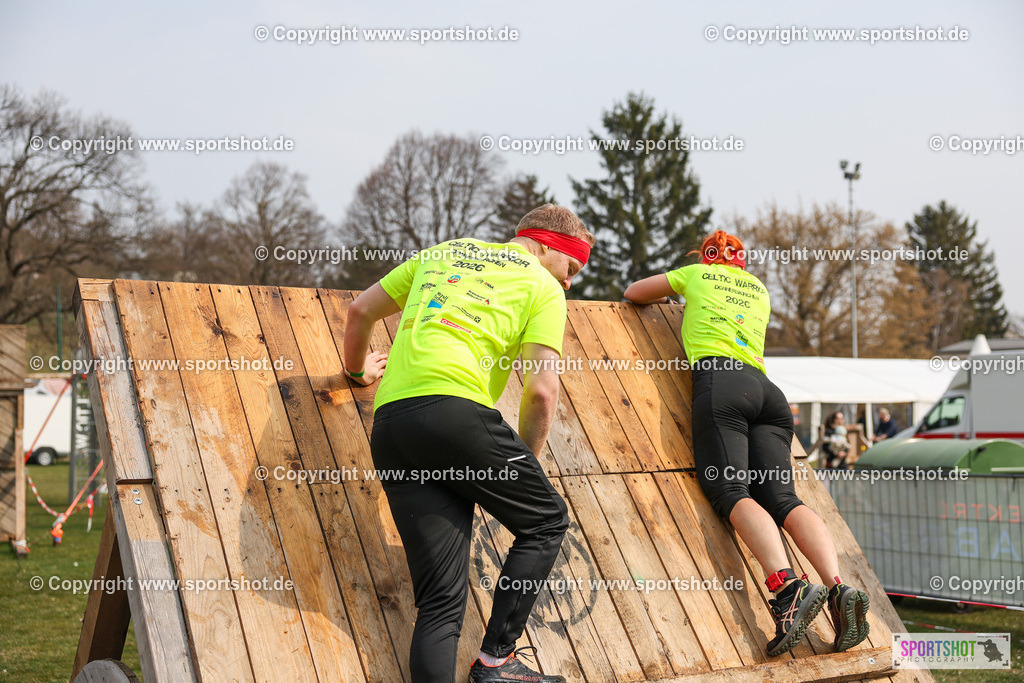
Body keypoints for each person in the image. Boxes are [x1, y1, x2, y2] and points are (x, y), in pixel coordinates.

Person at [343, 204, 594, 683]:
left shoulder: (442, 253)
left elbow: (360, 310)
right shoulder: (542, 286)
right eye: (572, 268)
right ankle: (497, 660)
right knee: (546, 521)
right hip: (454, 415)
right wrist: (523, 466)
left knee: (439, 602)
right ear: (547, 247)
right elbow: (541, 391)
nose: (569, 283)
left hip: (392, 426)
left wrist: (357, 373)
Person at [624, 230, 871, 657]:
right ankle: (837, 587)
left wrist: (676, 295)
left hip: (722, 383)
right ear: (741, 262)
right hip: (769, 393)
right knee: (784, 498)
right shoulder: (757, 288)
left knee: (729, 490)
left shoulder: (695, 273)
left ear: (706, 257)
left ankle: (787, 587)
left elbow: (634, 293)